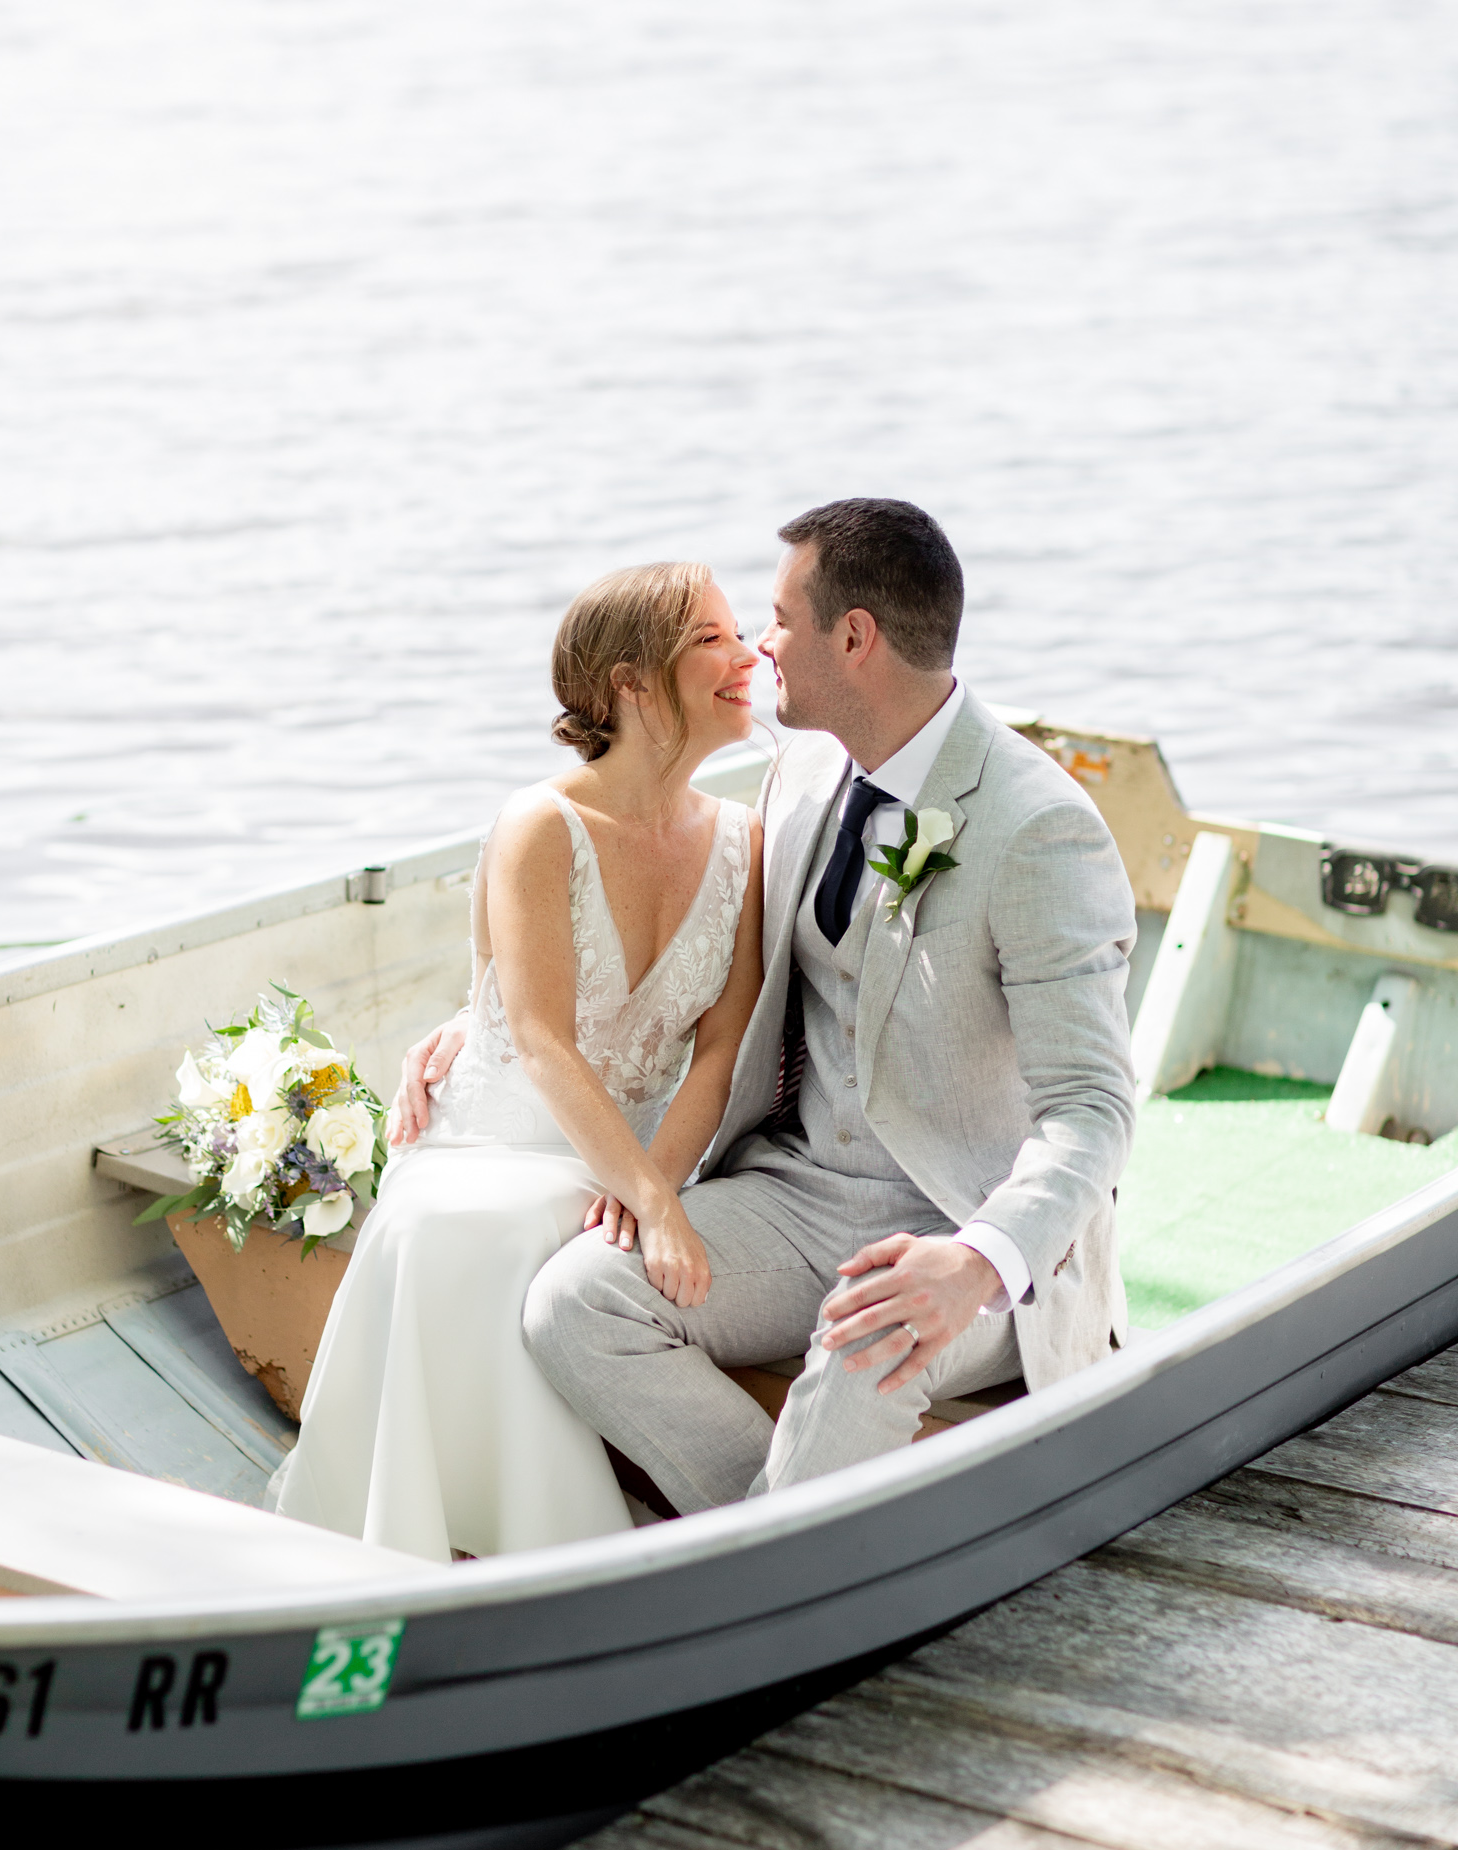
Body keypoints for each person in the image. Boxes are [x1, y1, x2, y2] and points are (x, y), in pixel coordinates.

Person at [403, 499, 1136, 1516]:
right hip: (796, 1193)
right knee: (578, 1302)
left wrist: (973, 1262)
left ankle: (746, 1585)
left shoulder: (1038, 827)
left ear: (853, 637)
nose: (759, 643)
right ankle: (771, 1539)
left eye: (779, 619)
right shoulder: (802, 764)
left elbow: (1093, 1110)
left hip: (963, 1223)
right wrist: (478, 1019)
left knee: (864, 1338)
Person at [271, 561, 764, 1562]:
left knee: (569, 1229)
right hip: (499, 1126)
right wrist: (648, 1202)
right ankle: (466, 1532)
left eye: (743, 631)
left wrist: (653, 1186)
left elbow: (720, 1052)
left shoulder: (745, 841)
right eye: (713, 638)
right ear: (630, 683)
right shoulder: (539, 823)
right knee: (483, 1224)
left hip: (636, 1147)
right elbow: (538, 1036)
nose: (747, 653)